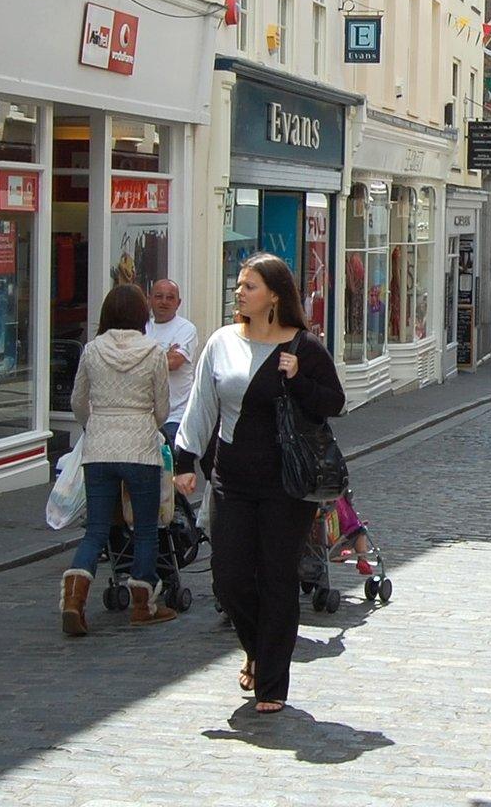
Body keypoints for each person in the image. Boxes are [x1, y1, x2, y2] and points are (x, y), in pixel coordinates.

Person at [173, 253, 345, 715]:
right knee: (229, 579)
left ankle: (272, 682)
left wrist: (297, 380)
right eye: (239, 285)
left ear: (273, 294)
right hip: (231, 478)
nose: (239, 292)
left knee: (276, 578)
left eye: (249, 286)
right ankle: (254, 647)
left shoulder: (303, 347)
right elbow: (201, 405)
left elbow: (334, 402)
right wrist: (185, 458)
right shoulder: (222, 342)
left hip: (286, 484)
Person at [59, 284, 176, 636]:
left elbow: (78, 401)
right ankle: (144, 604)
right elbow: (163, 407)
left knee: (96, 529)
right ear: (143, 313)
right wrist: (146, 425)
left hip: (100, 448)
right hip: (139, 446)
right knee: (145, 529)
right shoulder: (154, 351)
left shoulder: (92, 351)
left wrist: (94, 425)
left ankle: (74, 601)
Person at [144, 279, 198, 448]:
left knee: (170, 471)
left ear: (178, 303)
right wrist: (163, 354)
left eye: (170, 297)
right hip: (144, 416)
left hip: (175, 417)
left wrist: (142, 357)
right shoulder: (141, 328)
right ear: (149, 299)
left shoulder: (186, 329)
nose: (164, 302)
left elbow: (174, 362)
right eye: (159, 296)